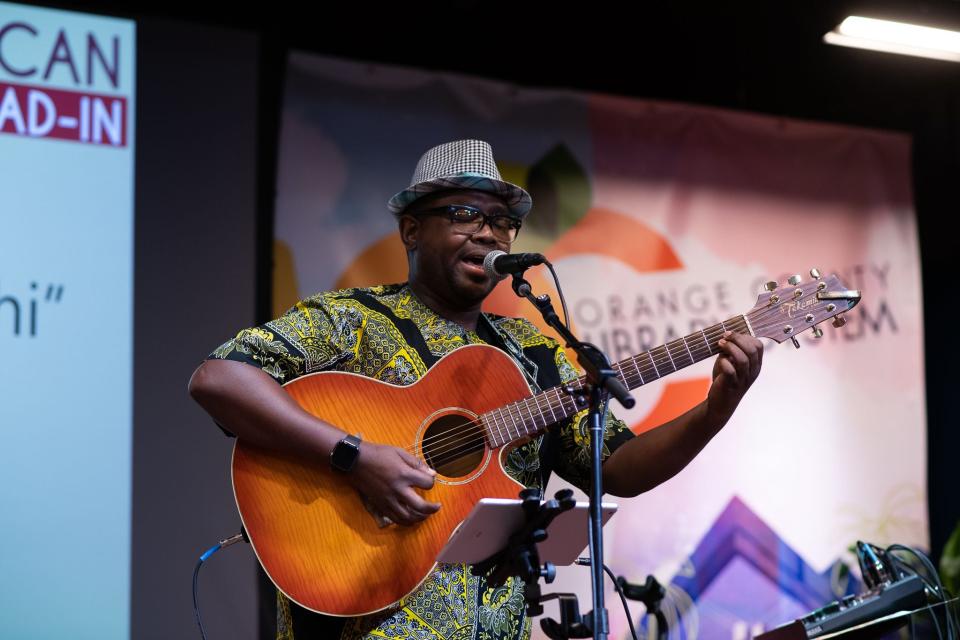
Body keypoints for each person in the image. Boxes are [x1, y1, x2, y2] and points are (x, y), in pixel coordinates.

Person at [188, 139, 764, 640]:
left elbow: (618, 467)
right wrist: (355, 456)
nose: (488, 231)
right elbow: (221, 378)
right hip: (363, 618)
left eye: (501, 221)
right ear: (412, 229)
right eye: (464, 213)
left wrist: (714, 411)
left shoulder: (533, 351)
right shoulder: (352, 319)